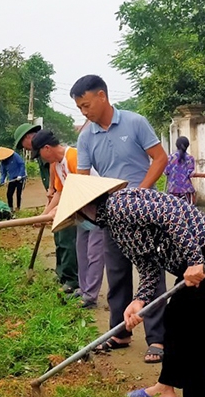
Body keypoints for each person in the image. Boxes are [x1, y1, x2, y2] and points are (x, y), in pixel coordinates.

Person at [51, 174, 205, 397]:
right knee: (174, 318)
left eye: (79, 215)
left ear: (88, 207)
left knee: (198, 334)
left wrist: (195, 260)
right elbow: (148, 263)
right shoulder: (115, 225)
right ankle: (165, 388)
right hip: (191, 260)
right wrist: (139, 300)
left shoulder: (120, 206)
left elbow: (172, 214)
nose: (81, 221)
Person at [72, 74, 169, 363]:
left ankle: (158, 339)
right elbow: (83, 179)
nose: (84, 112)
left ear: (102, 96)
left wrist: (140, 193)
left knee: (151, 272)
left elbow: (160, 158)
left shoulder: (135, 122)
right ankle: (120, 332)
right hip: (113, 215)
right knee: (116, 274)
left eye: (86, 105)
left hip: (144, 211)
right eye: (79, 108)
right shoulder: (86, 137)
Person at [32, 129, 100, 307]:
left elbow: (82, 190)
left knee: (94, 254)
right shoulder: (58, 164)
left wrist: (60, 211)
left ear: (46, 148)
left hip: (97, 210)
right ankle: (83, 289)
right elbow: (60, 192)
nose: (41, 158)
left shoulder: (73, 158)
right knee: (81, 251)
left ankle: (90, 297)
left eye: (39, 154)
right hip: (82, 213)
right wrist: (45, 214)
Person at [15, 123, 77, 294]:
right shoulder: (54, 161)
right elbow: (59, 190)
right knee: (61, 240)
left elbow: (73, 189)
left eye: (24, 145)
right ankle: (64, 276)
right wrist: (46, 213)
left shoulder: (68, 158)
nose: (29, 151)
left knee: (69, 242)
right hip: (64, 203)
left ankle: (73, 281)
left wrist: (56, 206)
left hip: (79, 208)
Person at [164, 136, 205, 205]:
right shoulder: (190, 158)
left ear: (176, 145)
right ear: (187, 146)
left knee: (174, 213)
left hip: (172, 191)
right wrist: (204, 175)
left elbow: (166, 172)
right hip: (187, 191)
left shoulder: (169, 158)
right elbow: (190, 174)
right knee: (189, 213)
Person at [0, 147, 27, 211]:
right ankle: (10, 208)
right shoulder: (3, 162)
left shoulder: (15, 156)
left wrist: (20, 175)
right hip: (12, 178)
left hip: (19, 178)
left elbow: (22, 165)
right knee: (9, 194)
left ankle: (18, 207)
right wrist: (1, 181)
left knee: (18, 193)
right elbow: (3, 173)